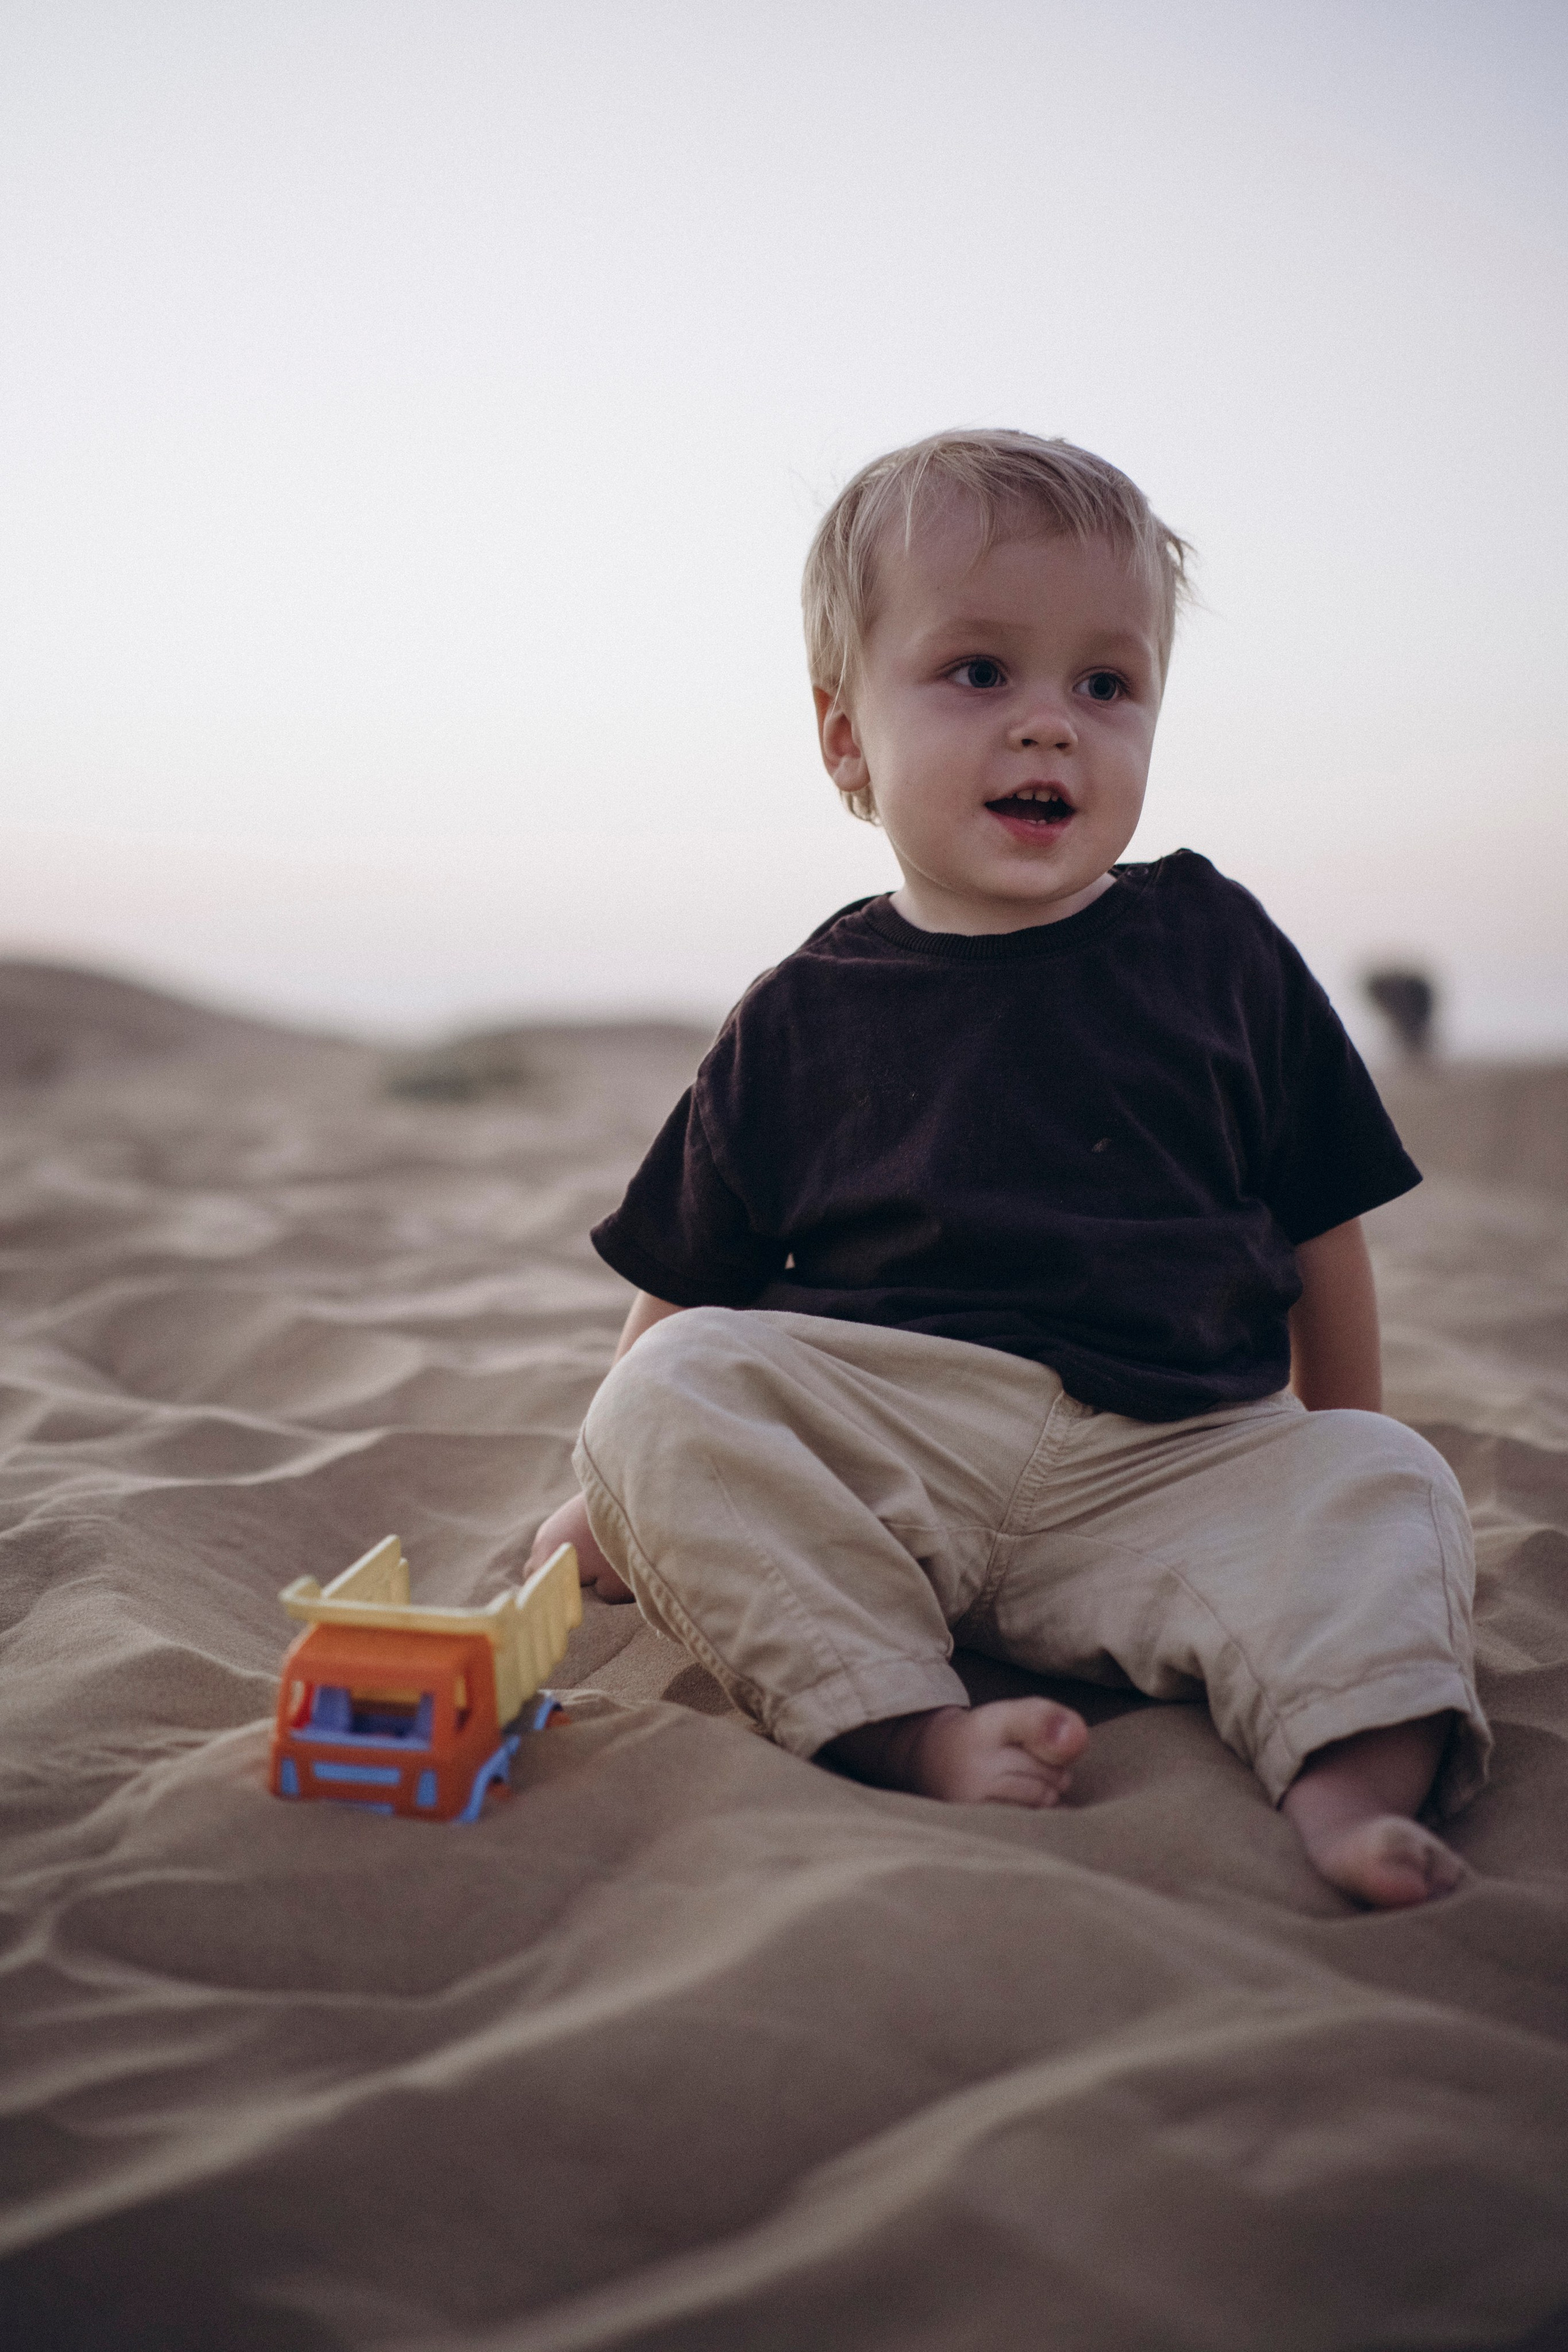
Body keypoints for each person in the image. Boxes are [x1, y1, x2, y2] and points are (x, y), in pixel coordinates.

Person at [527, 429, 1487, 1910]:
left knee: (1391, 1478)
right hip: (889, 1453)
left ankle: (1347, 1784)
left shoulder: (1213, 948)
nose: (1051, 727)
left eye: (1104, 686)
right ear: (846, 736)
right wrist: (609, 1493)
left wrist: (1324, 1463)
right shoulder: (799, 1010)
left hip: (1165, 1459)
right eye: (979, 673)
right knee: (661, 1399)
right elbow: (686, 1286)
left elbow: (1321, 1231)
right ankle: (906, 1723)